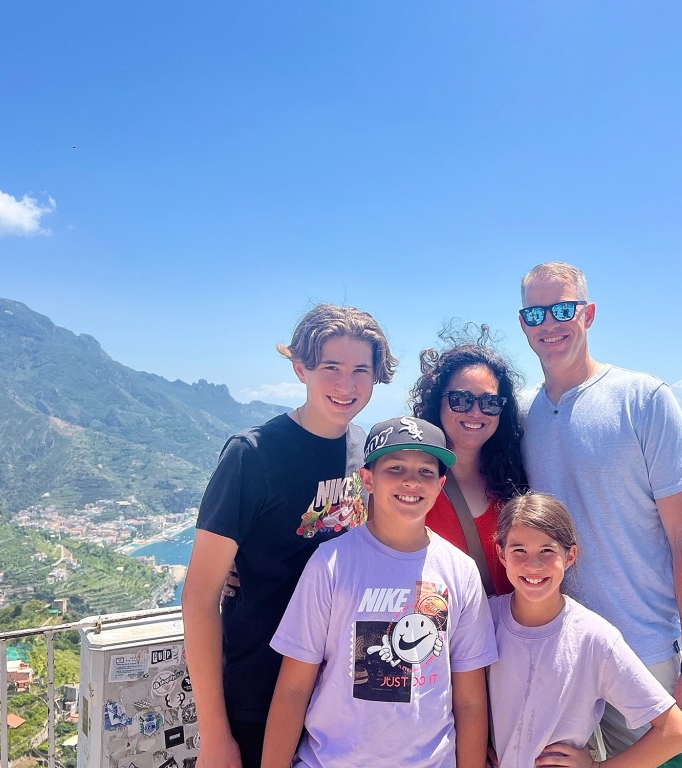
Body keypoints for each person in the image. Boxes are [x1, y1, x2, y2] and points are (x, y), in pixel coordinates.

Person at [517, 262, 682, 756]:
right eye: (536, 313)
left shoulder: (643, 399)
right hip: (558, 650)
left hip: (643, 652)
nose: (549, 323)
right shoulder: (521, 413)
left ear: (587, 314)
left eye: (562, 309)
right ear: (523, 324)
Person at [182, 304, 397, 768]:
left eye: (360, 370)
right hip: (258, 690)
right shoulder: (252, 455)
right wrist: (215, 737)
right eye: (331, 367)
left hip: (338, 696)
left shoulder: (363, 449)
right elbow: (198, 597)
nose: (346, 385)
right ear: (301, 369)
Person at [263, 416, 498, 768]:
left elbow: (470, 701)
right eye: (396, 468)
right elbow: (294, 689)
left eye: (425, 471)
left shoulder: (460, 571)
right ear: (367, 479)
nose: (411, 481)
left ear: (440, 484)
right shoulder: (331, 564)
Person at [488, 492, 682, 768]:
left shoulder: (594, 638)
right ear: (501, 554)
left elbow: (676, 732)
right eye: (519, 550)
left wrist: (597, 767)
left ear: (570, 555)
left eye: (547, 550)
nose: (533, 564)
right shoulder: (484, 619)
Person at [410, 325, 528, 595]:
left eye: (489, 402)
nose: (476, 412)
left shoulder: (513, 480)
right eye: (461, 400)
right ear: (437, 401)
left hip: (506, 622)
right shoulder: (411, 481)